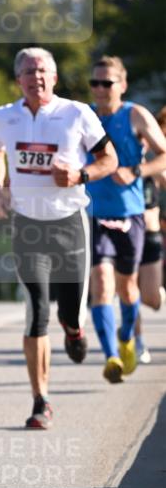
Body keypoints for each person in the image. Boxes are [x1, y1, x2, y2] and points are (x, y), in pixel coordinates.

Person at [0, 47, 117, 429]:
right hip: (27, 225)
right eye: (28, 71)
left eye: (42, 71)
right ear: (18, 80)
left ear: (54, 78)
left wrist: (80, 175)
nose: (35, 77)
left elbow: (110, 159)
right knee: (37, 312)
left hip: (69, 223)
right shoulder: (5, 116)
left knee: (69, 310)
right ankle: (41, 400)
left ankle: (74, 331)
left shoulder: (76, 113)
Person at [87, 57, 166, 383]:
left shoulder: (134, 115)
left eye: (108, 83)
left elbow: (164, 154)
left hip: (130, 214)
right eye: (95, 83)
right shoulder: (84, 116)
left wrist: (135, 171)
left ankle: (126, 334)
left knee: (128, 289)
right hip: (92, 212)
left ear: (122, 84)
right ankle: (111, 357)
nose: (101, 89)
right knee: (102, 284)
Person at [134, 105, 166, 363]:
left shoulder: (154, 166)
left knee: (151, 299)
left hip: (151, 234)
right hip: (126, 230)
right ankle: (138, 342)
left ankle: (159, 296)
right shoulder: (125, 159)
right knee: (129, 291)